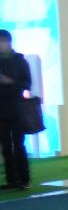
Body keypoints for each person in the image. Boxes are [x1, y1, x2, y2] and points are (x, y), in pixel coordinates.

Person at [0, 29, 32, 190]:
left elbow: (27, 84)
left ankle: (24, 179)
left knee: (19, 144)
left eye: (2, 41)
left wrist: (10, 82)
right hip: (1, 109)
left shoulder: (20, 61)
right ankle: (11, 179)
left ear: (8, 42)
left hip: (17, 108)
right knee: (5, 145)